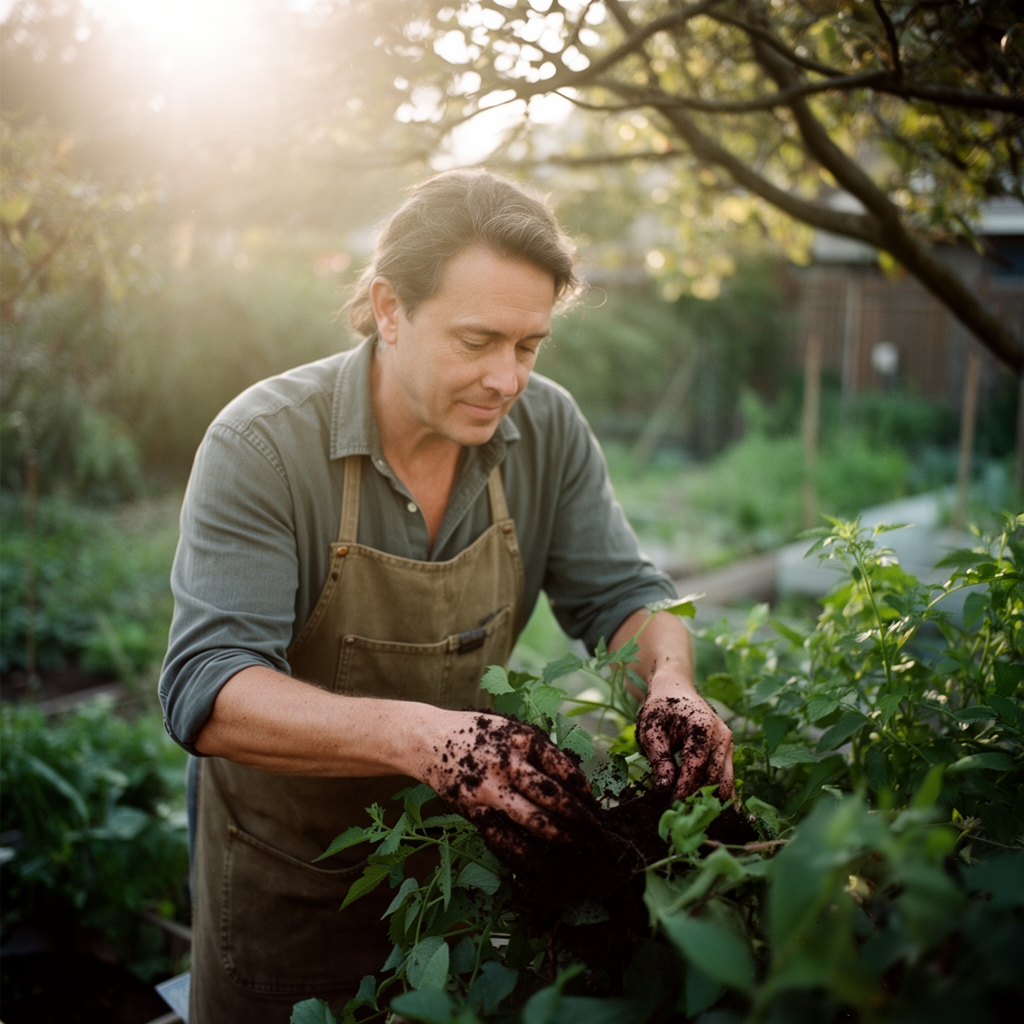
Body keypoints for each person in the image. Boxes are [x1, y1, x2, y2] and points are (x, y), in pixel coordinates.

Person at [159, 170, 734, 1023]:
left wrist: (673, 685)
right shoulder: (264, 446)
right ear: (390, 310)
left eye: (529, 346)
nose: (507, 378)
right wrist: (425, 738)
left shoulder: (548, 430)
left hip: (461, 885)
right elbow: (208, 688)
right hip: (294, 890)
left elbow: (624, 596)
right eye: (478, 340)